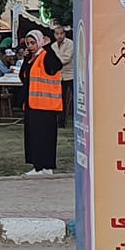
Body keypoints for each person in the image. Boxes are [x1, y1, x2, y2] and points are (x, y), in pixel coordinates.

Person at [18, 30, 64, 176]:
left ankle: (46, 166)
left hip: (45, 105)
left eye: (33, 43)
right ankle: (38, 166)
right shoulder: (32, 58)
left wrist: (48, 47)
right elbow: (23, 76)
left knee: (45, 136)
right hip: (33, 104)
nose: (30, 46)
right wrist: (26, 59)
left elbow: (56, 66)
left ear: (40, 41)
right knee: (34, 137)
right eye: (28, 43)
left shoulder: (46, 55)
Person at [51, 25, 76, 118]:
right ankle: (61, 120)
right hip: (59, 76)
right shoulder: (53, 46)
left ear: (64, 34)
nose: (59, 36)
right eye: (57, 34)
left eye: (61, 33)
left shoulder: (70, 44)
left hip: (70, 75)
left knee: (74, 98)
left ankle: (74, 117)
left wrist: (56, 61)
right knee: (61, 99)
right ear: (54, 35)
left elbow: (66, 59)